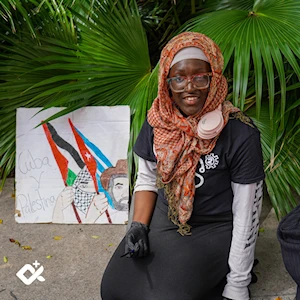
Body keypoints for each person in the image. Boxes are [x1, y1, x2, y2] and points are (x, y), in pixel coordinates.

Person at [100, 32, 265, 300]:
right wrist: (138, 226)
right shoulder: (158, 123)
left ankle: (222, 273)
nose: (189, 87)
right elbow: (146, 180)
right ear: (167, 83)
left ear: (214, 80)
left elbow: (247, 213)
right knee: (114, 291)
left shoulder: (240, 134)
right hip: (167, 221)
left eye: (199, 77)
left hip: (216, 228)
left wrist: (238, 284)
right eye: (179, 78)